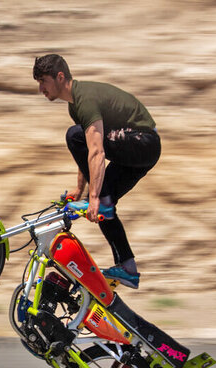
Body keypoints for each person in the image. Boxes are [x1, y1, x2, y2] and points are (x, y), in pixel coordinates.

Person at [33, 54, 161, 289]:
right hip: (141, 151)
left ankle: (99, 200)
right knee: (105, 200)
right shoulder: (75, 106)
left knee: (75, 137)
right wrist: (81, 189)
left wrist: (91, 198)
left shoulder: (84, 99)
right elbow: (88, 154)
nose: (40, 88)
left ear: (60, 77)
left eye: (43, 81)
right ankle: (128, 267)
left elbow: (96, 151)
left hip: (143, 142)